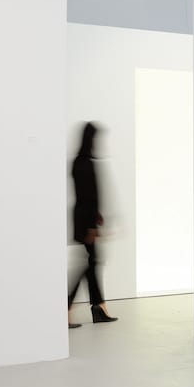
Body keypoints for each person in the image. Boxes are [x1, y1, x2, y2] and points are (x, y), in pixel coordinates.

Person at [68, 122, 118, 327]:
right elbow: (88, 196)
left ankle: (97, 307)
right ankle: (68, 305)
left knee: (92, 263)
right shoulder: (85, 163)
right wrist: (92, 226)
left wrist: (96, 216)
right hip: (85, 221)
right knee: (91, 263)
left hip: (83, 218)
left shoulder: (79, 161)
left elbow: (87, 195)